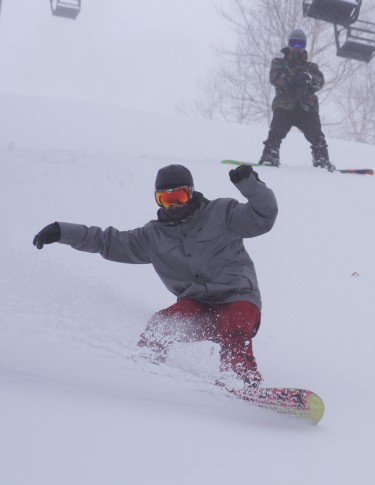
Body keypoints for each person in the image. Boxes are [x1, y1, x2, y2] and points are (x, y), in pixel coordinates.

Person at [32, 163, 277, 388]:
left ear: (191, 192)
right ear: (157, 200)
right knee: (161, 326)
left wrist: (251, 185)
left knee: (233, 326)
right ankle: (143, 372)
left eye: (179, 196)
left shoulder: (222, 212)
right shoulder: (152, 237)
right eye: (166, 198)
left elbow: (263, 217)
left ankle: (242, 381)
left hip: (238, 296)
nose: (174, 205)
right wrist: (62, 231)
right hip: (197, 304)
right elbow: (107, 241)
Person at [259, 28, 335, 172]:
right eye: (293, 43)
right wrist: (293, 79)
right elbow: (275, 78)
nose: (296, 48)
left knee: (317, 136)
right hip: (285, 105)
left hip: (306, 108)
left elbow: (319, 80)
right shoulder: (279, 63)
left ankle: (322, 160)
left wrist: (309, 80)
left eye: (300, 45)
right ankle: (270, 156)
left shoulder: (310, 67)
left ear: (304, 46)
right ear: (288, 45)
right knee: (276, 133)